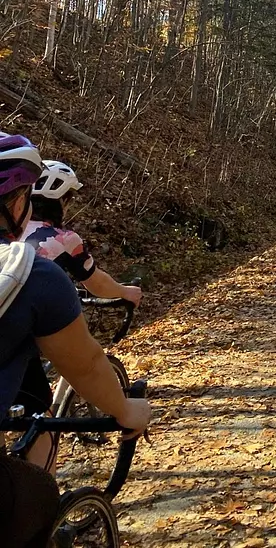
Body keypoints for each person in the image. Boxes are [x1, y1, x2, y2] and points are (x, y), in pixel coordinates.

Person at [0, 134, 151, 547]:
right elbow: (86, 357)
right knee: (38, 422)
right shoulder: (49, 252)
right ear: (16, 202)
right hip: (44, 325)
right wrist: (125, 292)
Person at [22, 160, 142, 307]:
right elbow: (98, 284)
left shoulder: (10, 232)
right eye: (69, 201)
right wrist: (125, 292)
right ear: (62, 200)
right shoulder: (64, 239)